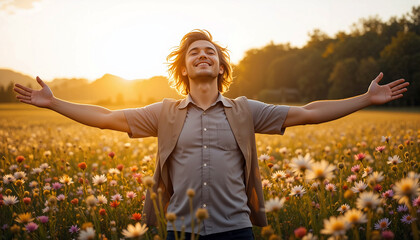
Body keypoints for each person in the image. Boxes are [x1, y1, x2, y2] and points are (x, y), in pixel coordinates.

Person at [14, 29, 409, 240]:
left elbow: (308, 112)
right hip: (179, 232)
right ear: (184, 69)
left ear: (221, 67)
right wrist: (55, 103)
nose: (203, 55)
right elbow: (106, 116)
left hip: (237, 230)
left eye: (210, 52)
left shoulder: (245, 110)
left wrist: (364, 98)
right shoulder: (163, 113)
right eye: (194, 53)